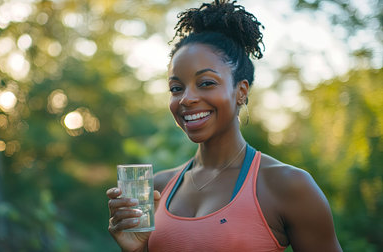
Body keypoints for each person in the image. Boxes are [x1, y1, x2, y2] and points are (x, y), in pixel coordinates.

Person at [107, 0, 342, 251]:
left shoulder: (287, 185)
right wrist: (135, 249)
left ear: (241, 91)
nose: (186, 99)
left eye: (206, 83)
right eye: (176, 88)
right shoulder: (158, 188)